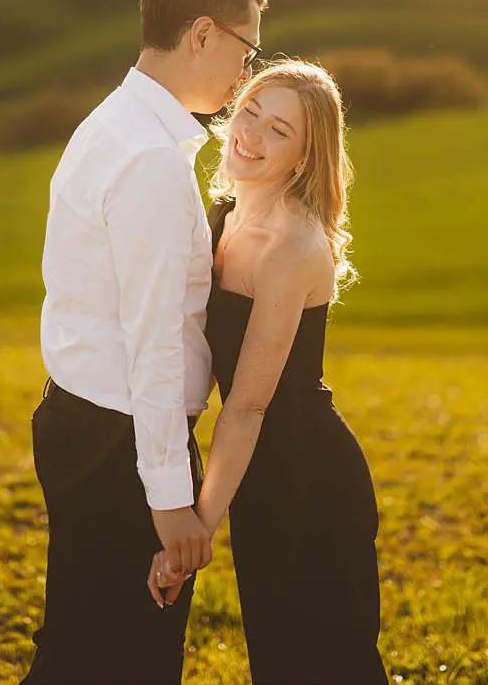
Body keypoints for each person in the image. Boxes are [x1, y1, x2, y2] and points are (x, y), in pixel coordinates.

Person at [22, 0, 266, 685]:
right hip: (122, 444)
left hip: (78, 417)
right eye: (244, 48)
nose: (245, 73)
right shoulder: (151, 160)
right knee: (126, 661)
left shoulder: (111, 122)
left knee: (76, 650)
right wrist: (169, 500)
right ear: (201, 33)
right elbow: (155, 342)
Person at [150, 60, 388, 684]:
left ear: (306, 158)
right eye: (252, 110)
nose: (251, 134)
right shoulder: (223, 217)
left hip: (310, 475)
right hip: (258, 471)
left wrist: (194, 531)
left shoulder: (293, 248)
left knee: (329, 663)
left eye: (279, 130)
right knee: (278, 660)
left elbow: (249, 405)